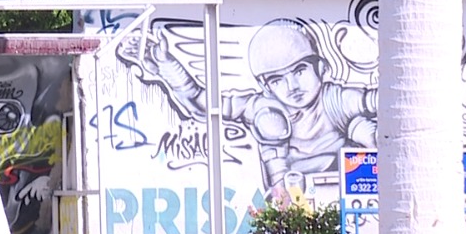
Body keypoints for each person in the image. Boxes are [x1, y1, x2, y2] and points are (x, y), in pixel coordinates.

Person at [119, 19, 377, 200]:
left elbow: (382, 101)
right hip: (290, 196)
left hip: (346, 195)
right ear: (265, 85)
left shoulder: (336, 100)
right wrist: (166, 64)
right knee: (270, 122)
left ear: (320, 68)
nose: (292, 86)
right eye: (278, 79)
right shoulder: (263, 107)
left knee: (362, 127)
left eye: (300, 70)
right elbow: (203, 104)